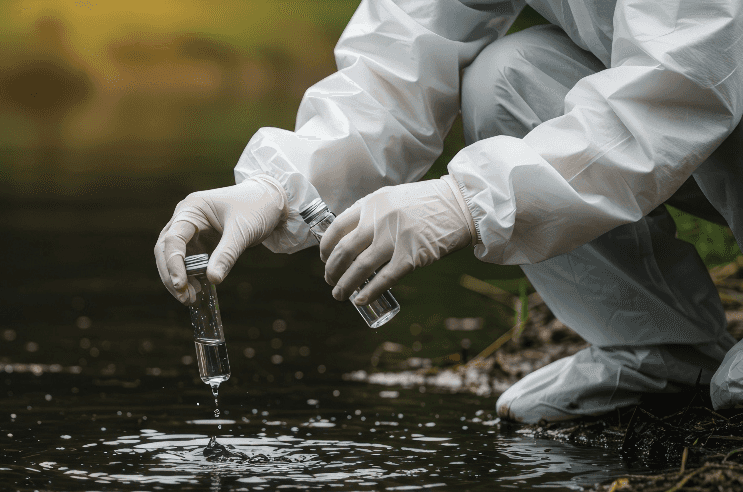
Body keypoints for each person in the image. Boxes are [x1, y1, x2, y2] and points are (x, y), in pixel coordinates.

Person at [154, 0, 743, 425]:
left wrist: (467, 199)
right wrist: (277, 184)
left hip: (706, 93)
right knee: (506, 78)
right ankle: (658, 350)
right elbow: (403, 53)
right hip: (694, 112)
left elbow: (684, 86)